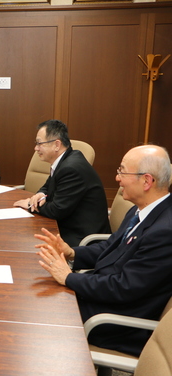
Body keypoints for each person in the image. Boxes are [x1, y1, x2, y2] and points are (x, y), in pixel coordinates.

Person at [35, 145, 172, 357]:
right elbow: (111, 248)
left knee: (38, 314)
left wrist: (69, 278)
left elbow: (124, 287)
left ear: (146, 181)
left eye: (122, 172)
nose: (117, 178)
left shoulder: (164, 232)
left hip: (117, 322)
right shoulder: (140, 210)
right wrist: (72, 253)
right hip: (104, 296)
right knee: (40, 293)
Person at [14, 119, 110, 246]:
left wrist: (30, 205)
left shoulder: (71, 168)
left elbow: (56, 210)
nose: (36, 148)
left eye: (39, 143)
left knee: (25, 240)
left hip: (81, 238)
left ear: (57, 145)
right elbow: (48, 185)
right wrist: (40, 194)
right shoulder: (65, 160)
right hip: (67, 224)